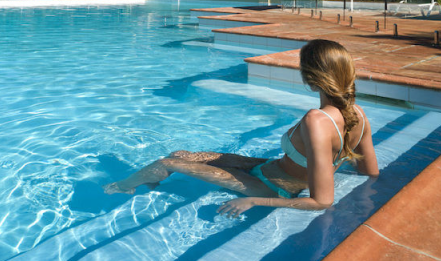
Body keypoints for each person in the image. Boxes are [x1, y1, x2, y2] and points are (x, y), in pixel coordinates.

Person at [104, 39, 379, 217]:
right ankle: (151, 180)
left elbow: (322, 201)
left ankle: (124, 186)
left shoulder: (316, 120)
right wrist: (337, 158)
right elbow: (370, 171)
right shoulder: (359, 115)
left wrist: (256, 202)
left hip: (272, 188)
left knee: (168, 162)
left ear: (310, 78)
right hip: (270, 168)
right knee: (182, 153)